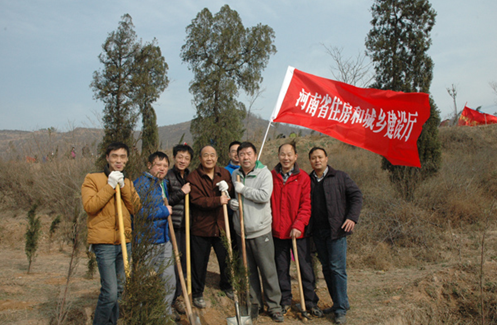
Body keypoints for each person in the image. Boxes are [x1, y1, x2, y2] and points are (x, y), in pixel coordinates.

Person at [81, 142, 141, 325]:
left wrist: (122, 186)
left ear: (127, 159)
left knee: (120, 289)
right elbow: (90, 206)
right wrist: (109, 186)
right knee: (110, 292)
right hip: (104, 243)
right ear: (107, 158)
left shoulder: (128, 182)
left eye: (123, 157)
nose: (118, 160)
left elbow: (136, 208)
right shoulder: (92, 179)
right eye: (115, 156)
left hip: (124, 242)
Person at [229, 142, 284, 322]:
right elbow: (235, 196)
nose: (245, 157)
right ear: (238, 157)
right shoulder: (235, 175)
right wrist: (232, 203)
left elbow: (263, 196)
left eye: (249, 153)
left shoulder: (264, 174)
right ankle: (254, 305)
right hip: (242, 231)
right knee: (249, 271)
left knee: (268, 271)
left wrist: (244, 190)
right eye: (242, 154)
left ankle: (274, 306)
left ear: (255, 155)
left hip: (260, 230)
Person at [308, 147, 362, 325]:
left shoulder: (340, 176)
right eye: (314, 158)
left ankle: (340, 310)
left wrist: (352, 218)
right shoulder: (308, 180)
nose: (317, 161)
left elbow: (356, 196)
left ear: (326, 158)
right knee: (326, 268)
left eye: (320, 157)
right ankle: (340, 303)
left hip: (336, 231)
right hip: (317, 232)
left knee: (337, 269)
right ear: (310, 161)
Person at [270, 142, 323, 317]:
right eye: (283, 154)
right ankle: (285, 300)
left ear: (295, 157)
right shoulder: (271, 176)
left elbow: (306, 205)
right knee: (281, 268)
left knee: (305, 268)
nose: (286, 158)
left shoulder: (303, 178)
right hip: (278, 232)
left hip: (299, 233)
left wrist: (298, 225)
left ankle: (310, 301)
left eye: (289, 154)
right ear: (278, 156)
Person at [186, 145, 234, 308]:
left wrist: (228, 190)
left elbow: (229, 193)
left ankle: (227, 285)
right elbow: (196, 200)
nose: (209, 158)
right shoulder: (193, 177)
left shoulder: (224, 173)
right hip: (201, 227)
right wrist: (216, 201)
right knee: (199, 263)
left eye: (212, 155)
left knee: (225, 259)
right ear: (200, 158)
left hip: (221, 225)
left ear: (217, 157)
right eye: (205, 155)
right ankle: (197, 292)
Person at [134, 151, 178, 321]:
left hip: (165, 240)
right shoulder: (140, 184)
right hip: (147, 241)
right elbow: (137, 212)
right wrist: (163, 211)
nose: (162, 168)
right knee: (144, 283)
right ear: (149, 165)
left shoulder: (162, 184)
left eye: (165, 166)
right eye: (158, 165)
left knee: (169, 280)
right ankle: (143, 316)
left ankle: (164, 315)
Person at [165, 143, 194, 315]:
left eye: (186, 158)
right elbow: (165, 201)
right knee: (174, 263)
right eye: (180, 157)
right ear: (174, 157)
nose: (183, 161)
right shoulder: (168, 176)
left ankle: (182, 295)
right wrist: (182, 192)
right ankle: (172, 299)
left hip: (188, 227)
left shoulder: (191, 176)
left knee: (184, 262)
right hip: (173, 226)